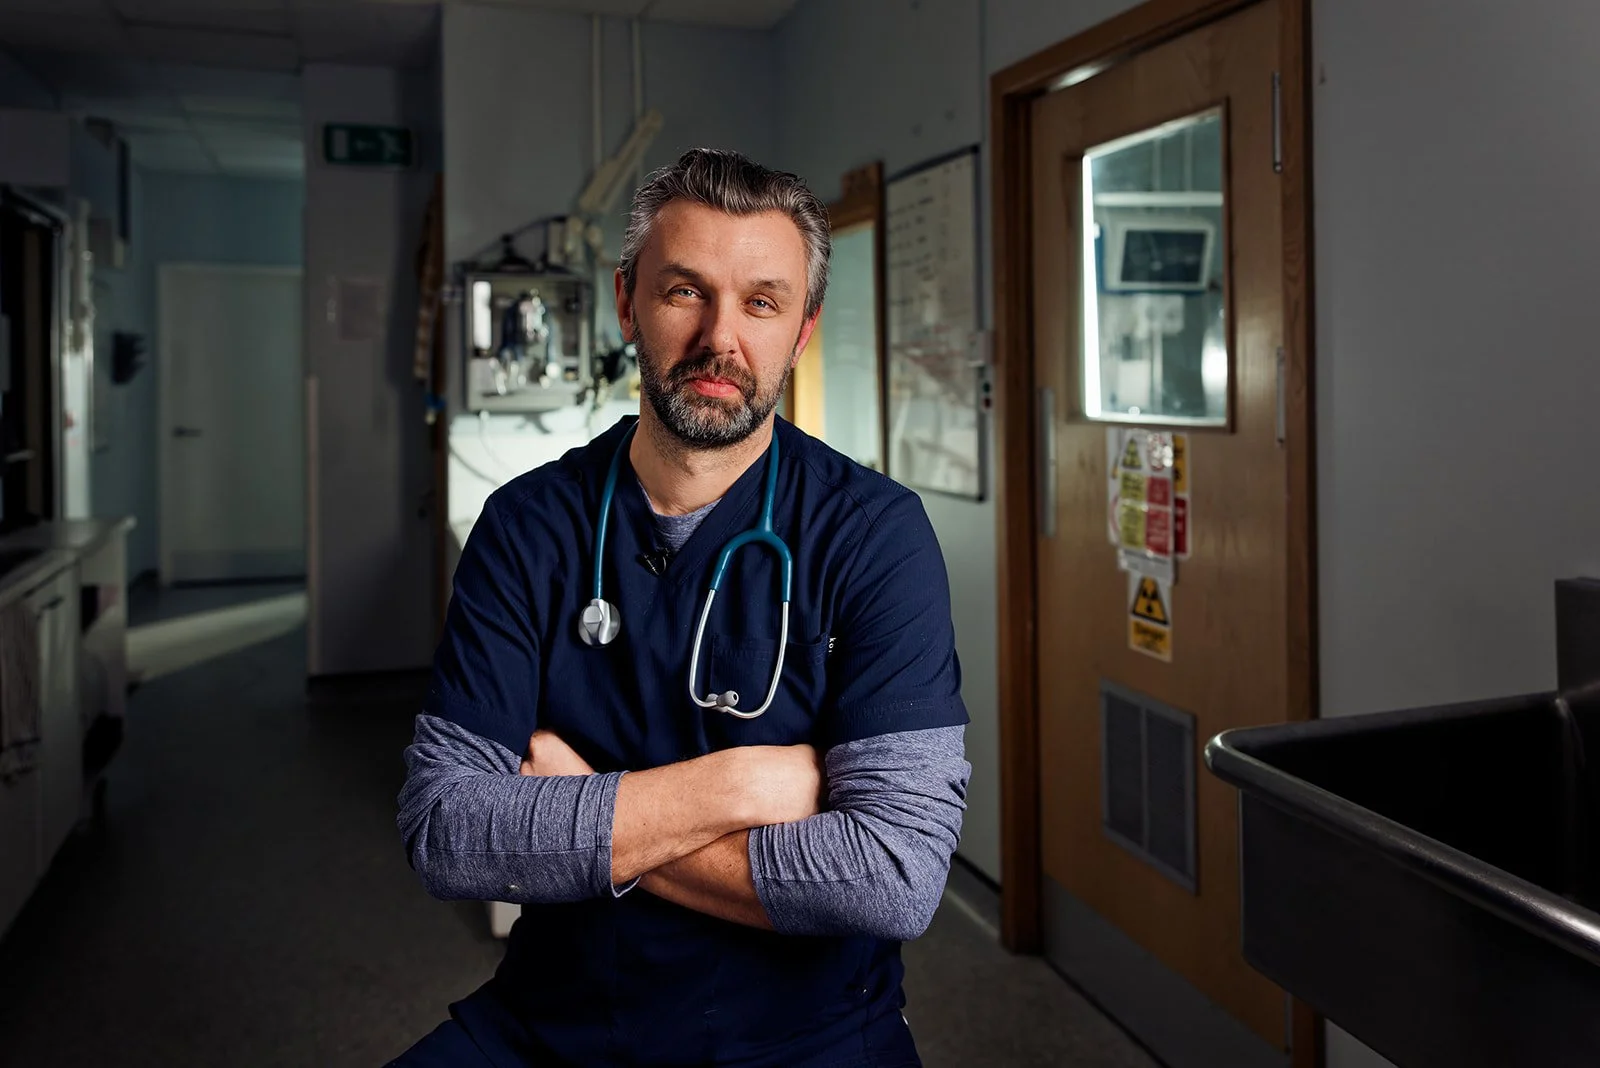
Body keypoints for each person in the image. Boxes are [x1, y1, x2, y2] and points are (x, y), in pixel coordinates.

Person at [392, 147, 971, 1068]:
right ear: (627, 302)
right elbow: (449, 832)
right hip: (557, 1020)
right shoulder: (526, 527)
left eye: (763, 302)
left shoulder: (874, 536)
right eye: (684, 292)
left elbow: (892, 878)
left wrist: (578, 807)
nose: (719, 339)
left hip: (807, 1036)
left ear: (804, 328)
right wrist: (738, 789)